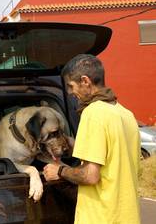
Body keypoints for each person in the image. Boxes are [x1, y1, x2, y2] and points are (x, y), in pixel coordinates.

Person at [43, 54, 140, 224]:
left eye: (71, 86)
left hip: (101, 217)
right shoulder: (126, 114)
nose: (70, 92)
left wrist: (59, 171)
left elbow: (90, 175)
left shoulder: (93, 113)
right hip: (128, 216)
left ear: (85, 81)